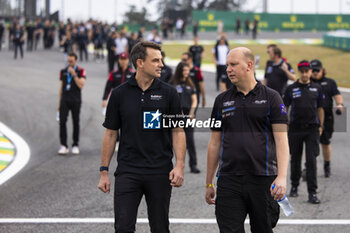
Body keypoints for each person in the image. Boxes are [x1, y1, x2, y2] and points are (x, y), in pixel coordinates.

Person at [98, 41, 186, 233]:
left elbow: (178, 130)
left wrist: (179, 165)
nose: (161, 65)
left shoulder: (169, 93)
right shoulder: (120, 94)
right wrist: (104, 171)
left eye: (161, 60)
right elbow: (111, 133)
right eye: (155, 60)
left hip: (160, 171)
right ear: (140, 62)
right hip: (128, 171)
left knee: (160, 227)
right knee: (123, 228)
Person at [206, 47, 289, 233]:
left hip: (263, 179)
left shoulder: (272, 97)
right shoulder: (221, 100)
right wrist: (209, 182)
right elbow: (214, 143)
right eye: (227, 65)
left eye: (233, 64)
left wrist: (282, 177)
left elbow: (282, 141)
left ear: (249, 65)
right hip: (229, 179)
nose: (228, 69)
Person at [283, 60, 324, 204]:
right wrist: (285, 124)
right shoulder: (291, 89)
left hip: (312, 128)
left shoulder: (317, 88)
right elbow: (285, 107)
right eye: (302, 71)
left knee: (311, 161)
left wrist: (321, 125)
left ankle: (312, 192)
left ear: (310, 72)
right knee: (295, 158)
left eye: (307, 71)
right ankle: (294, 186)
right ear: (299, 72)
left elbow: (320, 108)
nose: (305, 73)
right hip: (295, 128)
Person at [310, 59, 344, 177]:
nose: (315, 73)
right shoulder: (307, 82)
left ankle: (327, 165)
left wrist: (339, 104)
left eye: (317, 70)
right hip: (310, 119)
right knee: (309, 143)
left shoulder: (330, 82)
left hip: (327, 118)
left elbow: (337, 95)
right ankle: (308, 166)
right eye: (313, 70)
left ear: (322, 70)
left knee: (325, 142)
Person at [170, 62, 200, 173]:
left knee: (190, 141)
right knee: (171, 141)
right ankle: (170, 165)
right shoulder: (172, 83)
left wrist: (192, 112)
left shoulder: (190, 84)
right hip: (175, 116)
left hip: (188, 116)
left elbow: (195, 100)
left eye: (188, 70)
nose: (187, 72)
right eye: (184, 70)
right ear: (179, 71)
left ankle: (193, 165)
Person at [57, 52, 86, 155]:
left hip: (76, 100)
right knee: (62, 122)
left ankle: (75, 144)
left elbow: (81, 85)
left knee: (75, 122)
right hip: (65, 99)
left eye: (71, 61)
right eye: (68, 61)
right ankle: (63, 145)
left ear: (75, 60)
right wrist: (59, 102)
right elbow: (61, 87)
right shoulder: (63, 71)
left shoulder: (81, 71)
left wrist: (74, 74)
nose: (69, 63)